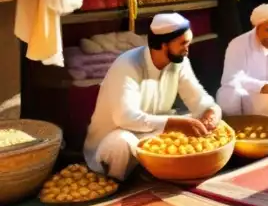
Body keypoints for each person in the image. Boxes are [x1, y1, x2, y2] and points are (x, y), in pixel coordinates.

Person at [83, 13, 221, 181]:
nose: (187, 49)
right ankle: (118, 186)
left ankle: (153, 172)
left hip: (152, 132)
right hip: (117, 137)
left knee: (199, 123)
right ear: (163, 45)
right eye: (183, 43)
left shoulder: (179, 62)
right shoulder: (127, 64)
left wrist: (210, 112)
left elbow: (198, 99)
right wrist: (173, 123)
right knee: (121, 143)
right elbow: (125, 118)